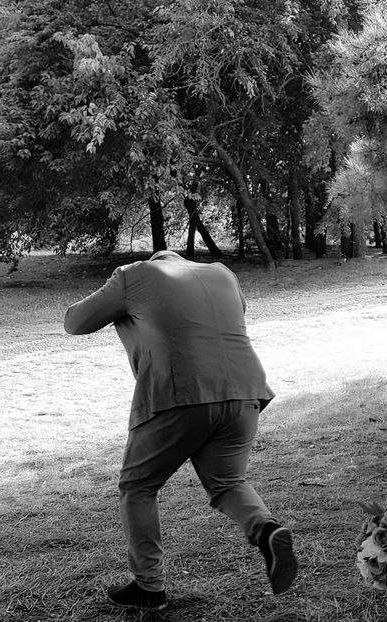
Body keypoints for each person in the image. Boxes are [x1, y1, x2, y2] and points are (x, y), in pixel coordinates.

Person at [63, 250, 296, 611]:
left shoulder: (135, 274)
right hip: (246, 391)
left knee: (137, 486)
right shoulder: (223, 273)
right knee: (228, 482)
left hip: (180, 393)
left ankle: (149, 587)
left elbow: (75, 322)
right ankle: (266, 530)